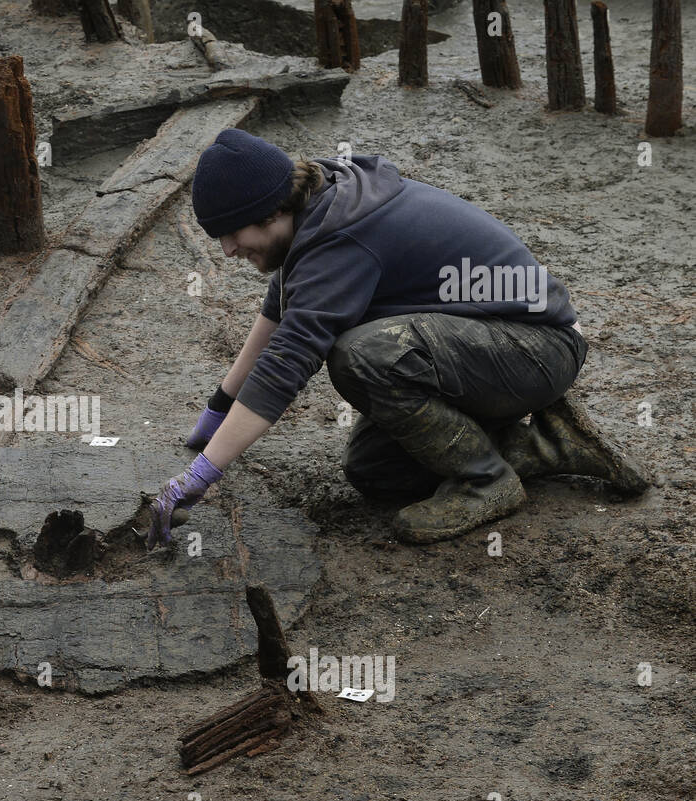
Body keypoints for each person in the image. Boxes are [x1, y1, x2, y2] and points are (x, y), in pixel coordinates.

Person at [147, 129, 647, 549]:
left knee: (363, 356)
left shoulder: (343, 237)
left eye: (232, 233)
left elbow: (288, 361)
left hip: (538, 346)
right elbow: (281, 309)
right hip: (492, 344)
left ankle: (487, 482)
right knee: (377, 473)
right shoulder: (318, 205)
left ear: (271, 213)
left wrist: (203, 475)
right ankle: (550, 444)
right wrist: (217, 409)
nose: (228, 249)